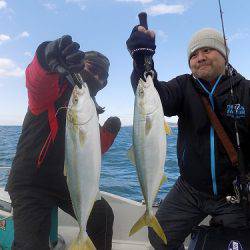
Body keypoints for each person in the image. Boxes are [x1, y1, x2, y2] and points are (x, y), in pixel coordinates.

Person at [126, 25, 250, 249]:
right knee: (159, 237)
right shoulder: (184, 86)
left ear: (224, 54)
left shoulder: (246, 91)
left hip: (234, 194)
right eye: (193, 55)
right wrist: (142, 61)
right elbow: (153, 94)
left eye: (207, 51)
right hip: (189, 189)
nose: (199, 58)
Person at [6, 35, 121, 250]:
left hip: (67, 182)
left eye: (102, 75)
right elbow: (35, 80)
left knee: (103, 216)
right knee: (29, 246)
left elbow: (90, 151)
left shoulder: (89, 108)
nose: (96, 76)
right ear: (78, 66)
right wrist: (46, 55)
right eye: (92, 68)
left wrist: (108, 135)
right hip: (31, 182)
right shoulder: (51, 89)